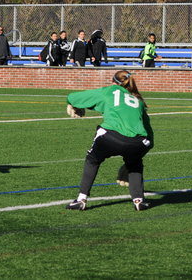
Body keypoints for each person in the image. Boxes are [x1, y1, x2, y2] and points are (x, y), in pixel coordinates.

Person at [65, 70, 154, 212]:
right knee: (135, 164)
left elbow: (73, 97)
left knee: (92, 159)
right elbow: (149, 136)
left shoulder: (110, 90)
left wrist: (72, 104)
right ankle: (139, 201)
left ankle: (81, 199)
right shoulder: (138, 100)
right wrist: (135, 158)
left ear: (113, 82)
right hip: (138, 142)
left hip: (110, 137)